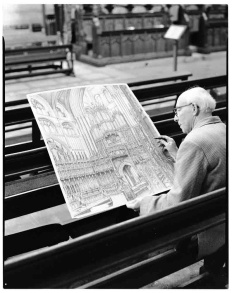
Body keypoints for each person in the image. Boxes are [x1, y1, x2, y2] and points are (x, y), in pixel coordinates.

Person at [127, 86, 226, 261]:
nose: (174, 118)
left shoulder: (194, 141)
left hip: (208, 234)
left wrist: (144, 204)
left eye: (177, 111)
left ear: (194, 109)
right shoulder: (223, 129)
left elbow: (178, 202)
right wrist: (177, 154)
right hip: (223, 219)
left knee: (135, 221)